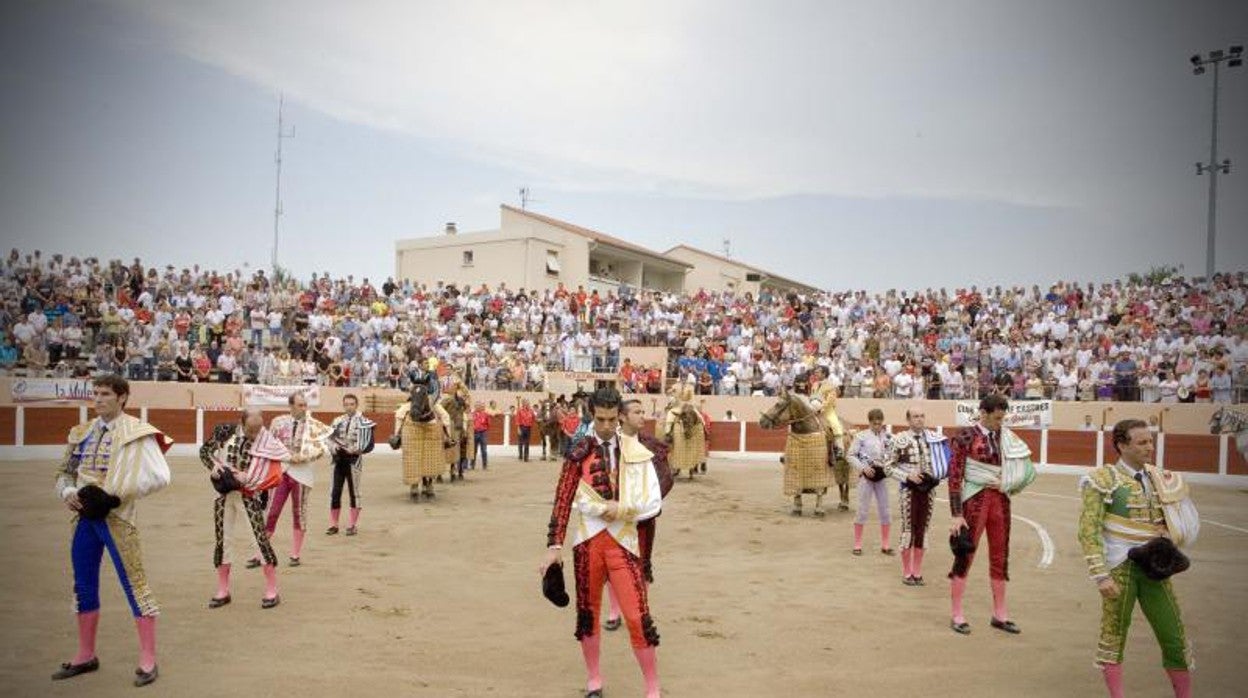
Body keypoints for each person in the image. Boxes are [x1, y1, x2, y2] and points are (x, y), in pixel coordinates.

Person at [540, 388, 664, 698]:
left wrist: (619, 509)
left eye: (612, 419)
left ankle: (653, 688)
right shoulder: (578, 450)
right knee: (587, 613)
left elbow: (653, 503)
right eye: (600, 419)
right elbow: (563, 499)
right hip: (588, 543)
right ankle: (594, 681)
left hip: (625, 543)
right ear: (591, 415)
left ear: (619, 416)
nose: (607, 426)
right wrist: (554, 546)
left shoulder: (637, 450)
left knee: (637, 616)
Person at [52, 375, 172, 687]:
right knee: (84, 585)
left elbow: (160, 476)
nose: (98, 399)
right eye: (96, 393)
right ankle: (85, 654)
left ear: (122, 397)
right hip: (84, 519)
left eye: (105, 393)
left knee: (135, 584)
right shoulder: (82, 432)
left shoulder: (137, 432)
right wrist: (67, 493)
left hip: (119, 518)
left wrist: (116, 496)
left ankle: (148, 659)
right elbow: (64, 472)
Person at [1077, 419, 1197, 697]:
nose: (1150, 447)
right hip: (1120, 568)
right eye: (1142, 442)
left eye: (1150, 441)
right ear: (1122, 445)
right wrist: (1101, 575)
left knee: (1174, 637)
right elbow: (1089, 529)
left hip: (1156, 568)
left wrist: (1169, 532)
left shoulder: (1159, 478)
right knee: (1113, 636)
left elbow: (1178, 521)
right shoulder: (1102, 480)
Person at [946, 394, 1036, 635]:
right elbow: (954, 475)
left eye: (1002, 418)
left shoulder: (1004, 437)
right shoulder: (965, 435)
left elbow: (1020, 468)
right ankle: (957, 614)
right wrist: (956, 514)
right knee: (965, 554)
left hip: (1000, 500)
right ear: (983, 413)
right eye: (997, 418)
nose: (1000, 423)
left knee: (1000, 555)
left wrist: (1009, 482)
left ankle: (1000, 614)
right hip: (974, 500)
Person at [200, 407, 288, 610]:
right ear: (241, 423)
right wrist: (213, 467)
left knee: (259, 540)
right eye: (250, 430)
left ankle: (272, 589)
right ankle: (223, 590)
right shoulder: (224, 431)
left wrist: (250, 478)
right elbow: (205, 451)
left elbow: (273, 467)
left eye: (258, 429)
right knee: (223, 540)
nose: (255, 434)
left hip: (249, 496)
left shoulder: (266, 440)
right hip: (223, 495)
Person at [884, 405, 950, 586]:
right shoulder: (899, 440)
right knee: (908, 530)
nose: (919, 419)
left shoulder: (933, 439)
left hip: (928, 490)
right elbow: (888, 467)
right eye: (915, 417)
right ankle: (907, 573)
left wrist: (938, 477)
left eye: (922, 416)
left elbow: (942, 464)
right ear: (908, 420)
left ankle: (917, 572)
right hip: (908, 490)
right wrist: (907, 476)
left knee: (922, 530)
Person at [261, 392, 329, 567]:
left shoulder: (313, 425)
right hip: (282, 470)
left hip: (302, 473)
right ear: (291, 406)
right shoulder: (278, 422)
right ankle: (260, 550)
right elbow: (270, 444)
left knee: (299, 513)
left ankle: (295, 554)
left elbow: (320, 449)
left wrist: (305, 457)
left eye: (305, 405)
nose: (304, 408)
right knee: (271, 511)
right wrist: (288, 456)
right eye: (300, 405)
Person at [326, 394, 376, 536]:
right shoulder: (337, 421)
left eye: (351, 404)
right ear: (343, 405)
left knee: (355, 493)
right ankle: (334, 524)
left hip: (354, 460)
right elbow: (329, 439)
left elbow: (369, 443)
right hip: (338, 460)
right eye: (346, 404)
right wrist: (333, 447)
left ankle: (352, 525)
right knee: (335, 492)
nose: (349, 407)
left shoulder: (363, 422)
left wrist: (358, 449)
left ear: (356, 405)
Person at [846, 408, 893, 556]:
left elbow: (892, 456)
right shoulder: (861, 437)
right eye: (874, 423)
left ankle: (885, 545)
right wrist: (863, 468)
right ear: (870, 422)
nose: (877, 426)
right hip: (866, 477)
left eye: (879, 423)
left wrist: (888, 467)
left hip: (881, 477)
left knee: (885, 510)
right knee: (862, 510)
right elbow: (850, 455)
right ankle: (857, 544)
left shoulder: (888, 437)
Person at [516, 397, 536, 462]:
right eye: (526, 402)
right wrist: (518, 428)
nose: (528, 403)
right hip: (522, 427)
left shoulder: (531, 410)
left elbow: (533, 418)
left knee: (527, 442)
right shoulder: (520, 410)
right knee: (521, 442)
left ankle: (526, 457)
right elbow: (517, 420)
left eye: (528, 402)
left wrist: (531, 424)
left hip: (528, 427)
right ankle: (520, 455)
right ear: (523, 403)